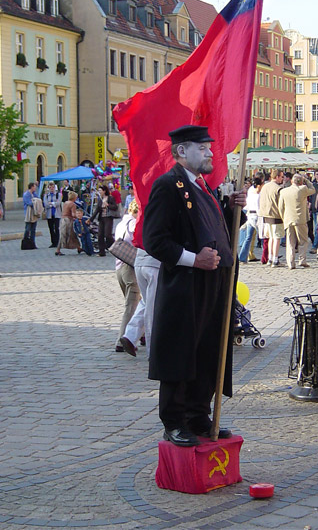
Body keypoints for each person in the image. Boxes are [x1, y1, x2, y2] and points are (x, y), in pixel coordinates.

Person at [142, 124, 246, 447]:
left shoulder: (205, 187)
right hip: (186, 285)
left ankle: (200, 414)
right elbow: (154, 240)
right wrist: (192, 258)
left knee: (209, 350)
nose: (210, 152)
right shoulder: (167, 186)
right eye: (203, 148)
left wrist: (233, 210)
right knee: (181, 352)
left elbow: (214, 230)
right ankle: (174, 420)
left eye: (209, 147)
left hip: (216, 281)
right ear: (181, 151)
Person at [120, 247, 161, 358]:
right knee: (152, 307)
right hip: (154, 262)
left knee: (147, 301)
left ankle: (130, 335)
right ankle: (152, 351)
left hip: (140, 259)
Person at [114, 200, 140, 352]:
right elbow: (137, 242)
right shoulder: (133, 224)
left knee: (137, 302)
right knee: (131, 306)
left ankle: (140, 334)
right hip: (130, 268)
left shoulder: (120, 224)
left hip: (119, 267)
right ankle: (121, 339)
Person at [278, 173, 315, 270]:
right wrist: (306, 181)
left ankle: (290, 262)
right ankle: (302, 260)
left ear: (291, 181)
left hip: (288, 219)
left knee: (290, 242)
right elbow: (313, 189)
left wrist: (283, 218)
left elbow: (280, 207)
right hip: (300, 219)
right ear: (301, 182)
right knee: (302, 241)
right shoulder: (303, 189)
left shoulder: (284, 191)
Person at [258, 168, 284, 267]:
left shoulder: (265, 186)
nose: (282, 179)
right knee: (276, 238)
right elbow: (281, 204)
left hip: (265, 215)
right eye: (281, 177)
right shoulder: (278, 188)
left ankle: (270, 258)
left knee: (270, 238)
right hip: (275, 215)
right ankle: (275, 259)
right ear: (277, 177)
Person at [239, 173, 263, 263]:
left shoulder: (250, 190)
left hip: (250, 214)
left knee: (248, 237)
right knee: (263, 236)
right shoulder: (259, 192)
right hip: (257, 215)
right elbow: (259, 204)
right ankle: (268, 256)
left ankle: (242, 257)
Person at [89, 185, 118, 256]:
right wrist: (90, 219)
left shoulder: (110, 198)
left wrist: (108, 205)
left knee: (108, 235)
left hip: (108, 218)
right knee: (100, 235)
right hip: (101, 218)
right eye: (98, 191)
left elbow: (115, 207)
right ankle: (102, 252)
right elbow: (97, 210)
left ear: (104, 191)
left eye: (100, 190)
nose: (99, 192)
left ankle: (116, 247)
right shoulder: (100, 199)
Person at [55, 191, 81, 255]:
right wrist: (78, 216)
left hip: (63, 219)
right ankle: (58, 250)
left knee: (66, 235)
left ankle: (78, 248)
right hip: (68, 221)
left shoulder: (66, 203)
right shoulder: (73, 204)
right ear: (74, 198)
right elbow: (73, 214)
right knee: (70, 234)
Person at [308, 170, 318, 253]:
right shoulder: (312, 185)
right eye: (317, 174)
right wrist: (309, 207)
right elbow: (310, 198)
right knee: (316, 227)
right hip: (313, 209)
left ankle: (315, 246)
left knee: (317, 227)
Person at [43, 183, 62, 248]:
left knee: (57, 228)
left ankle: (58, 242)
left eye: (53, 187)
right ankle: (53, 242)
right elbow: (46, 204)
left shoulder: (58, 195)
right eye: (50, 187)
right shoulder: (46, 196)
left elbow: (58, 203)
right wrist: (53, 204)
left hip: (57, 214)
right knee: (51, 229)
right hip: (49, 214)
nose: (51, 189)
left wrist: (51, 203)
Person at [23, 182, 38, 248]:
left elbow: (38, 200)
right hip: (28, 214)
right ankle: (25, 242)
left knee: (33, 230)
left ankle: (32, 243)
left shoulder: (34, 194)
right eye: (34, 187)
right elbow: (29, 203)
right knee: (27, 229)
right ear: (31, 187)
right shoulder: (26, 194)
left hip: (34, 213)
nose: (35, 188)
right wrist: (35, 202)